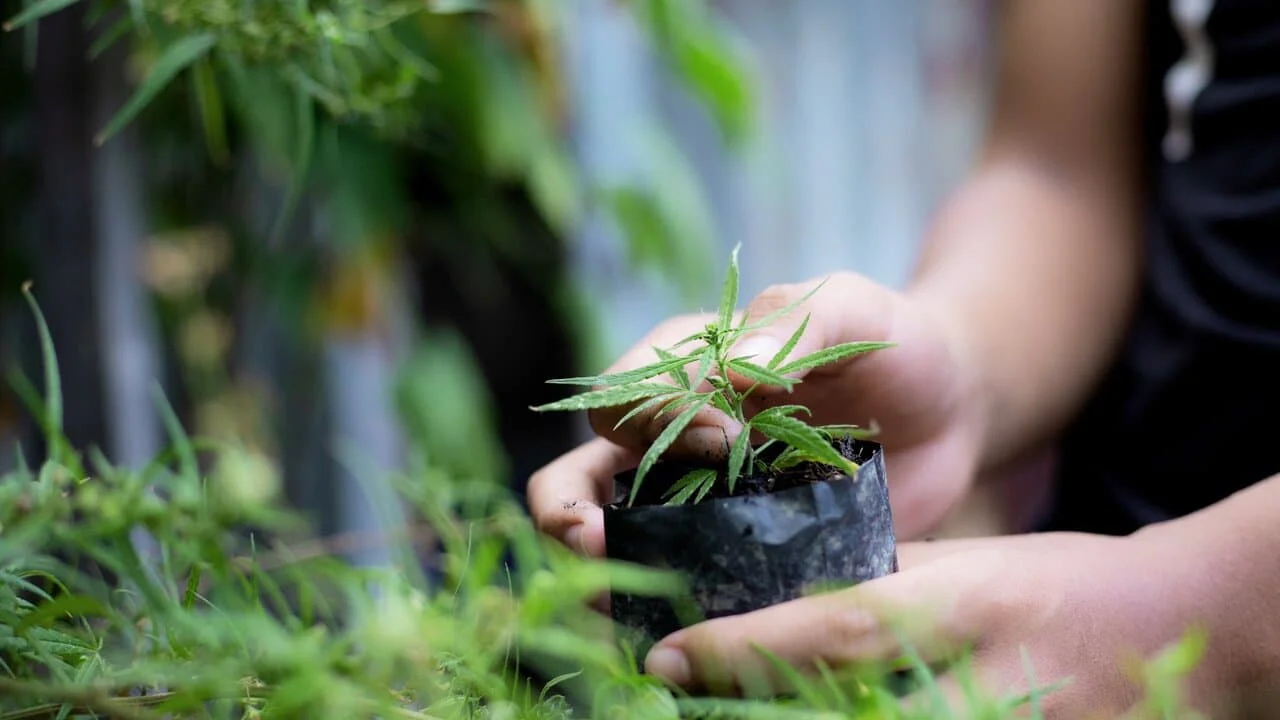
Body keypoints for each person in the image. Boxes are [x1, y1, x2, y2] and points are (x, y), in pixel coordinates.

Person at [527, 1, 1280, 716]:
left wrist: (1203, 617)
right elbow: (1059, 168)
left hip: (1121, 630)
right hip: (1085, 590)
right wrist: (961, 363)